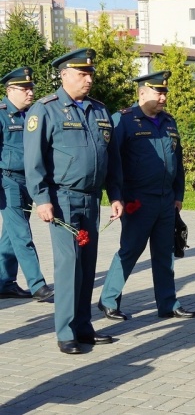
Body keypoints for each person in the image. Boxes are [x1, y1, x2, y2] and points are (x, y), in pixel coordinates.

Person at [24, 48, 122, 354]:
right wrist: (41, 199)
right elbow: (34, 160)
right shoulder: (45, 110)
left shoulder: (100, 110)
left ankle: (83, 326)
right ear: (63, 74)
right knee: (69, 266)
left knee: (88, 265)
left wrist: (116, 195)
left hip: (91, 199)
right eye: (81, 73)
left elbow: (112, 159)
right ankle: (66, 331)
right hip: (61, 198)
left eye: (90, 73)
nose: (88, 79)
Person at [97, 71, 195, 321]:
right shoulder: (124, 120)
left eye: (165, 92)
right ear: (142, 93)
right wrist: (116, 196)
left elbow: (178, 161)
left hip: (165, 199)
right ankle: (108, 300)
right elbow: (112, 161)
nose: (163, 97)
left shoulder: (168, 122)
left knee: (165, 253)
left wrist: (179, 194)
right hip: (137, 200)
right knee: (130, 250)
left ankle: (168, 303)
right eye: (158, 92)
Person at [0, 67, 55, 302]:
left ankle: (4, 282)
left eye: (31, 88)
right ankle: (38, 285)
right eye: (25, 88)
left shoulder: (29, 115)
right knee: (22, 234)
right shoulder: (1, 114)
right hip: (8, 181)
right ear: (10, 90)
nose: (30, 92)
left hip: (28, 181)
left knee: (11, 234)